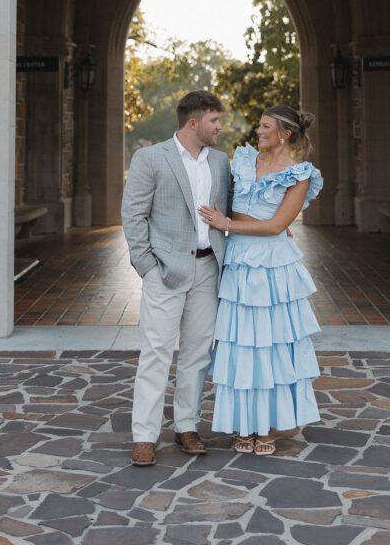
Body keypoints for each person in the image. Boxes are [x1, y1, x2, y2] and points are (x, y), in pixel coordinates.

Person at [198, 104, 323, 456]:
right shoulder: (241, 161)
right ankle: (243, 425)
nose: (259, 131)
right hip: (238, 262)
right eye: (259, 125)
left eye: (266, 126)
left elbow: (276, 226)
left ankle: (267, 425)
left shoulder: (300, 174)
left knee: (269, 344)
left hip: (273, 268)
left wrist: (226, 225)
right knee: (241, 344)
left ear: (285, 133)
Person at [121, 90, 232, 466]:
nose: (220, 127)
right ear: (193, 122)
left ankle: (187, 425)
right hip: (165, 271)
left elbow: (234, 209)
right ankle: (145, 435)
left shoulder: (220, 162)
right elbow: (133, 215)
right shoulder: (151, 158)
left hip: (208, 269)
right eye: (215, 120)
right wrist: (147, 266)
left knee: (198, 354)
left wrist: (276, 226)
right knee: (156, 353)